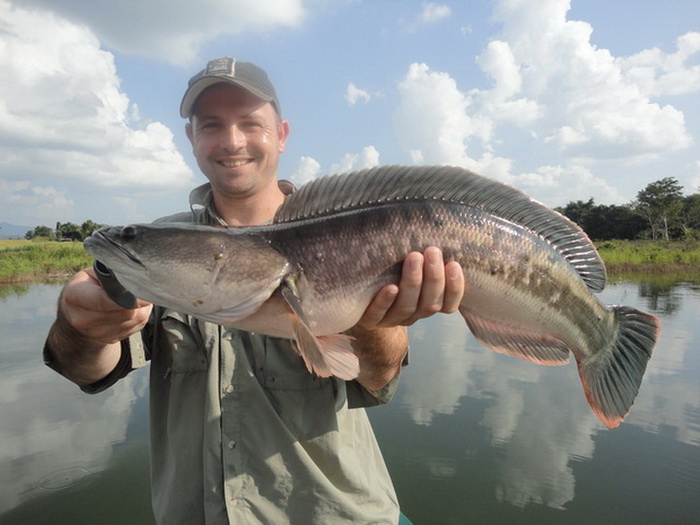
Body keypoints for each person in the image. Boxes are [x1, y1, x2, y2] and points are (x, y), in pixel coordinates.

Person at [43, 57, 465, 524]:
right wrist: (80, 328)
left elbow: (377, 377)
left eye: (250, 124)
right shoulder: (159, 256)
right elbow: (87, 371)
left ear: (281, 134)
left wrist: (369, 320)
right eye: (211, 125)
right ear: (192, 138)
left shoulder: (350, 232)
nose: (231, 141)